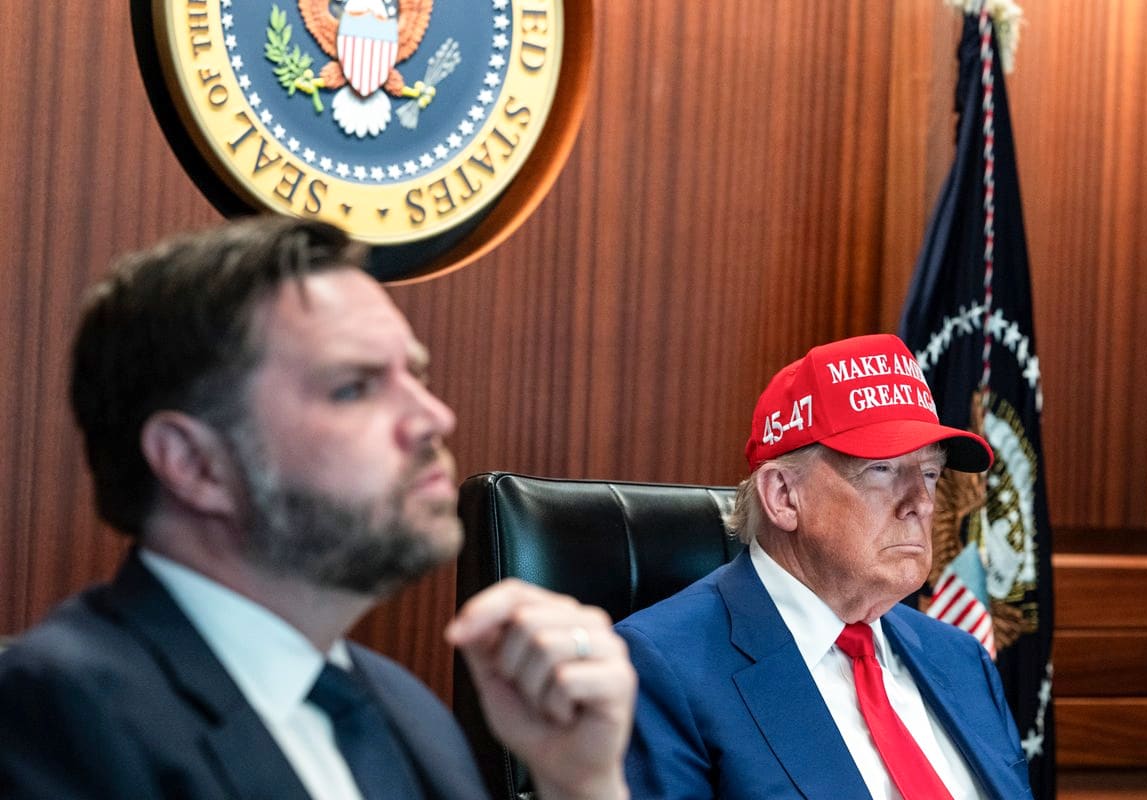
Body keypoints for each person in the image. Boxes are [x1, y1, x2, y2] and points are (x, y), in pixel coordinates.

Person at [0, 217, 635, 800]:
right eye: (354, 388)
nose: (434, 418)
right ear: (196, 465)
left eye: (417, 377)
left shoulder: (404, 710)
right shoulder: (56, 711)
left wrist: (579, 782)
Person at [614, 333, 1034, 799]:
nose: (922, 502)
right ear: (782, 496)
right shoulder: (661, 668)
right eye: (882, 469)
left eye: (930, 473)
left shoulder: (960, 658)